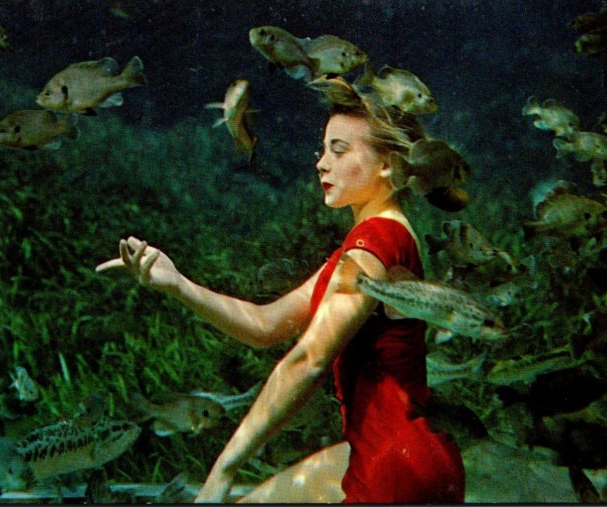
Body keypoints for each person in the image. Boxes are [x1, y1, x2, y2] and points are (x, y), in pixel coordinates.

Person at [96, 77, 465, 503]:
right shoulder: (370, 244)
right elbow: (266, 324)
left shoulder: (375, 244)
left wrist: (224, 469)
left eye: (339, 150)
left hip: (394, 469)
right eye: (323, 149)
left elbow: (308, 359)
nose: (322, 164)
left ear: (389, 165)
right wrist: (177, 283)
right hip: (408, 449)